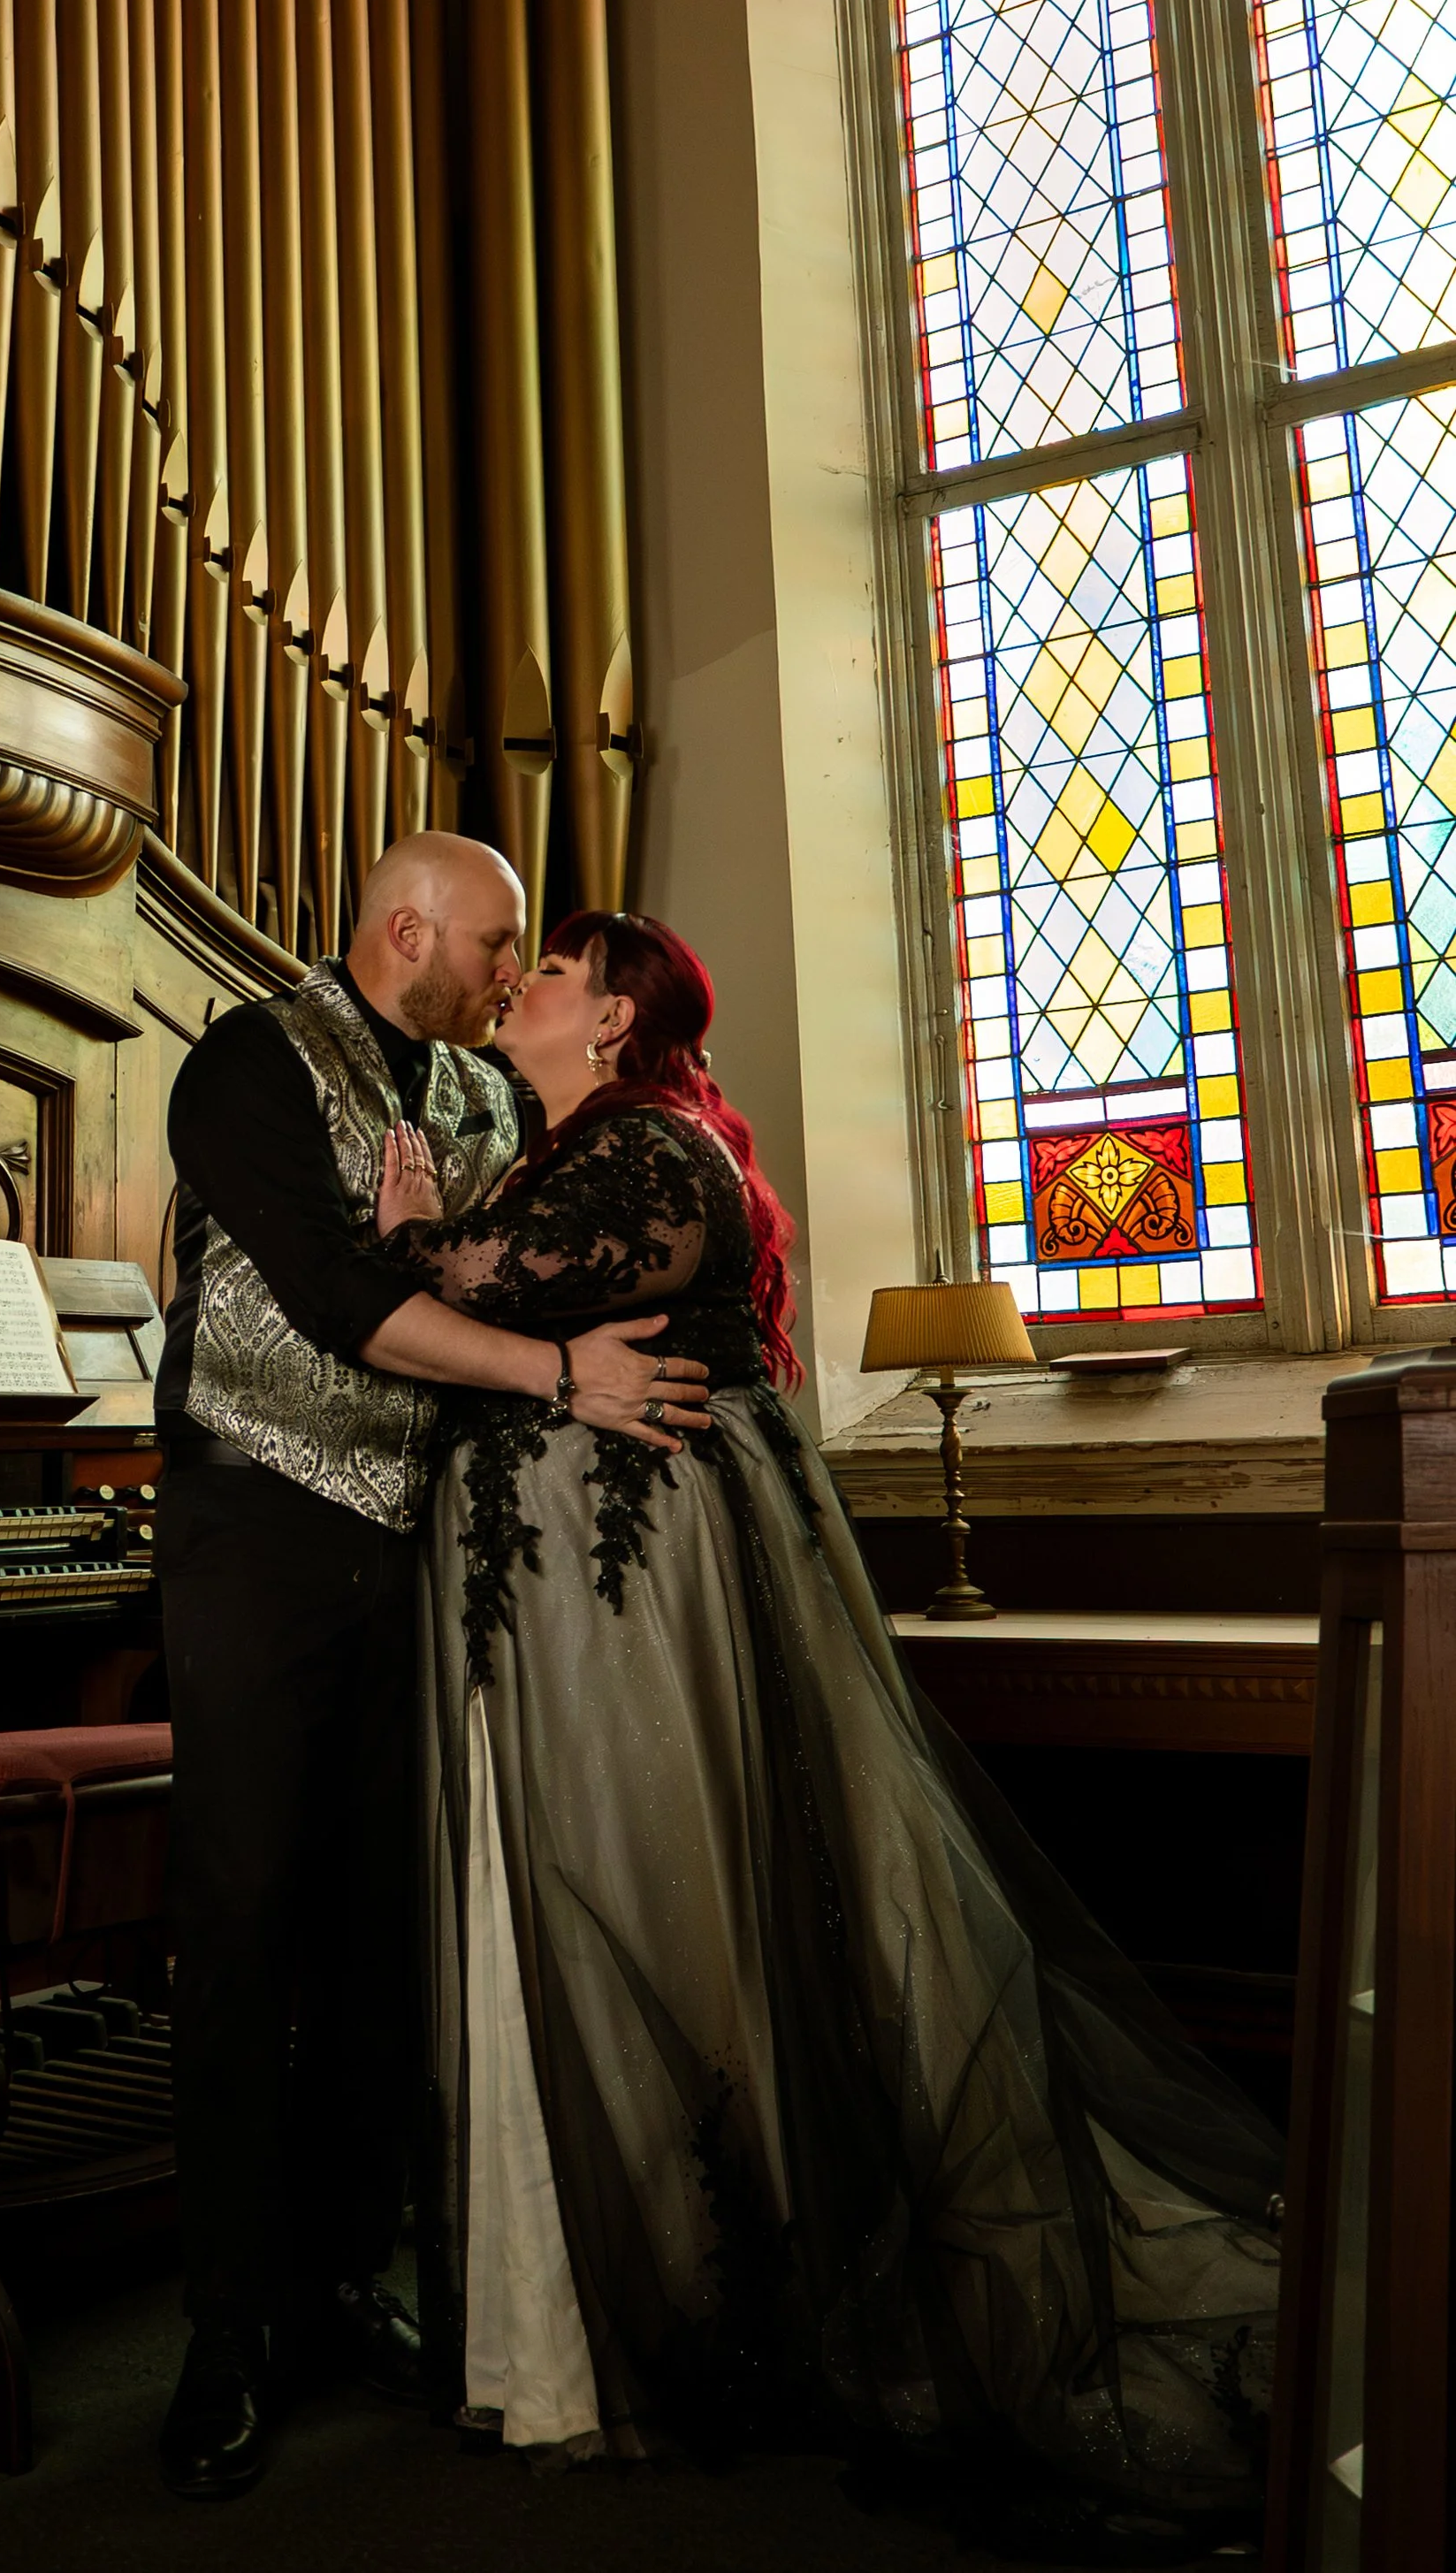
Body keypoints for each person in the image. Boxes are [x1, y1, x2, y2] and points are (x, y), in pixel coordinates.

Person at [377, 910, 1283, 2565]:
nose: (522, 990)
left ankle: (713, 2290)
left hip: (629, 1602)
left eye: (554, 972)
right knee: (579, 1916)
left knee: (658, 1906)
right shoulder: (574, 1142)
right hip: (562, 1601)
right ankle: (562, 2311)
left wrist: (415, 1226)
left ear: (618, 1015)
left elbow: (472, 1286)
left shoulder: (654, 1156)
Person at [149, 837, 713, 2500]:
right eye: (492, 941)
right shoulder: (245, 1061)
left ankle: (336, 2279)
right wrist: (555, 1370)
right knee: (244, 1920)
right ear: (409, 931)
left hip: (418, 1537)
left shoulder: (483, 1098)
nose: (506, 967)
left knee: (386, 1926)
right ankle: (230, 2329)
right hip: (254, 1516)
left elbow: (499, 1253)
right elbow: (334, 1298)